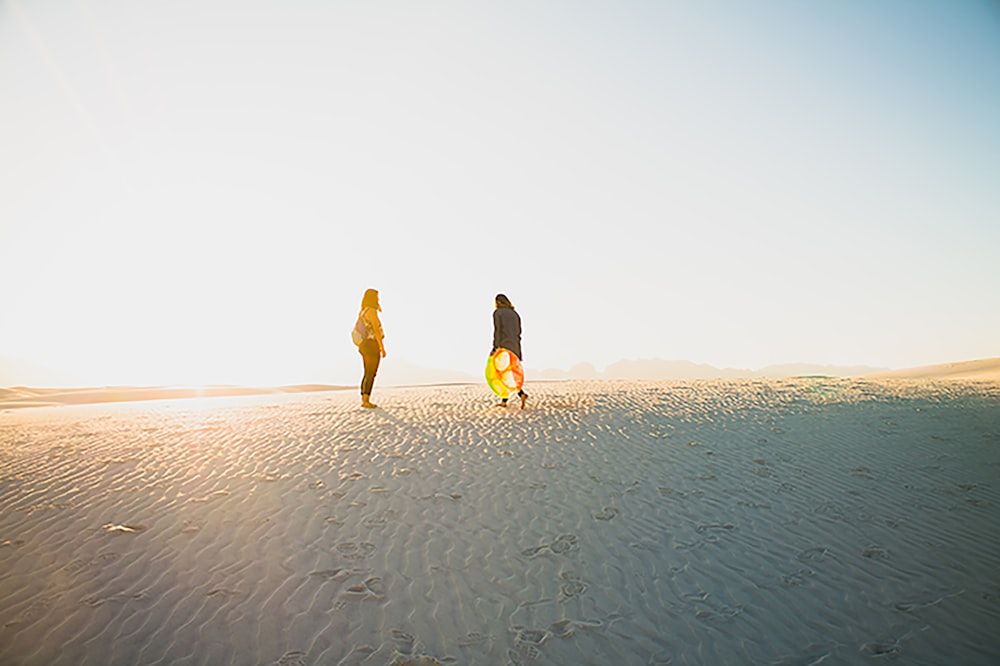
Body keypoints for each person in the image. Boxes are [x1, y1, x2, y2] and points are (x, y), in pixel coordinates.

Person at [492, 293, 528, 409]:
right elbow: (519, 331)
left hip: (504, 346)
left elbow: (498, 331)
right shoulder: (515, 314)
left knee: (503, 373)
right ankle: (506, 400)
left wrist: (495, 347)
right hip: (515, 346)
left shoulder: (498, 313)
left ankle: (519, 395)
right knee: (511, 373)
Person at [357, 288, 386, 408]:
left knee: (367, 372)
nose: (378, 299)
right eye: (377, 297)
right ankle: (366, 400)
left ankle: (364, 398)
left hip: (364, 345)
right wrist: (382, 347)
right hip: (371, 344)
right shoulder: (372, 311)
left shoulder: (363, 311)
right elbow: (376, 331)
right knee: (371, 373)